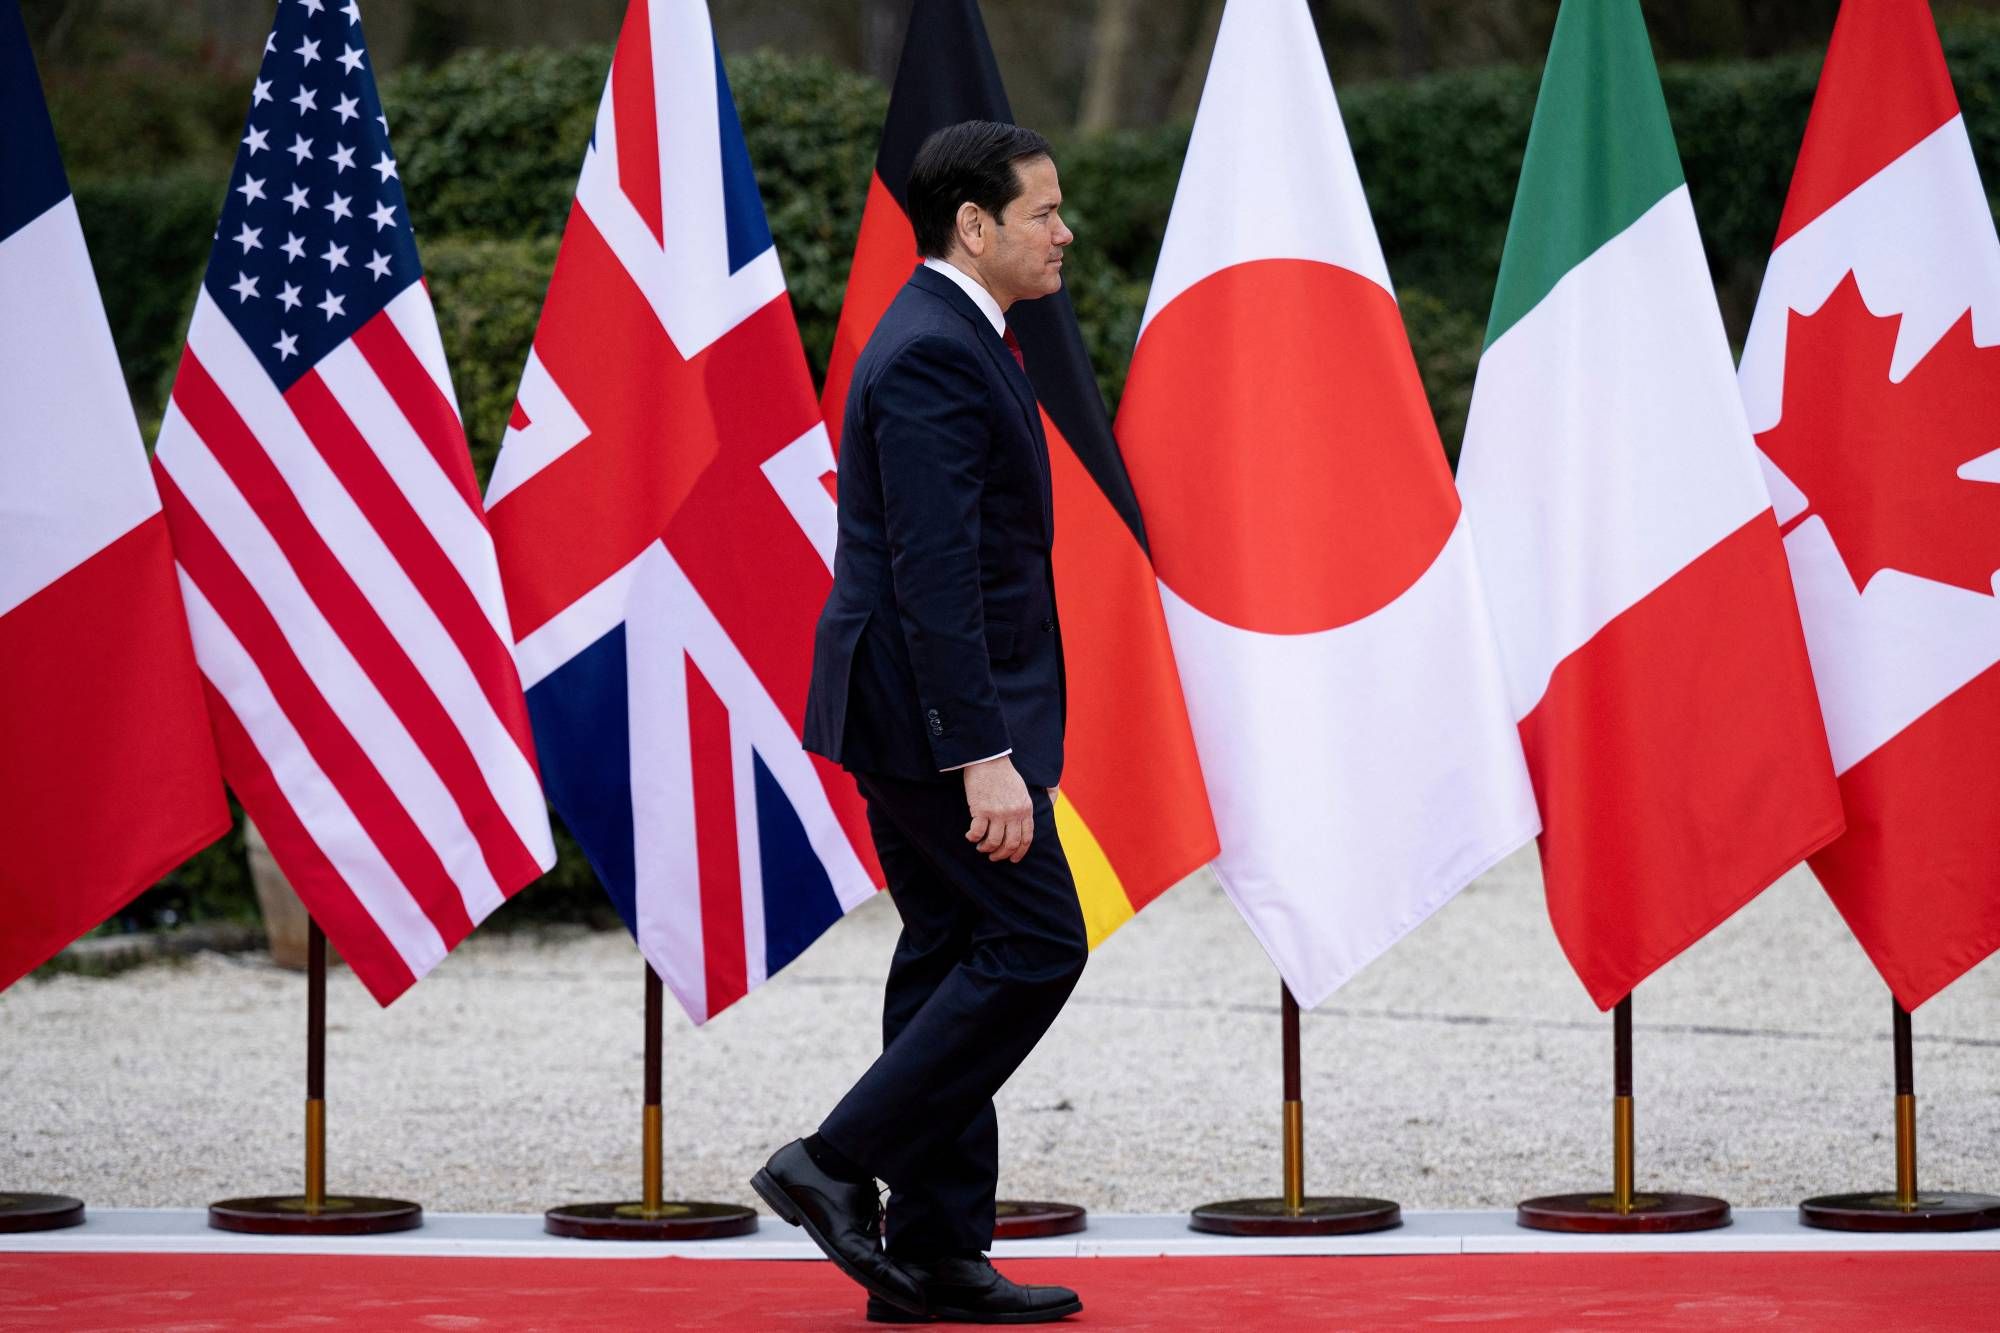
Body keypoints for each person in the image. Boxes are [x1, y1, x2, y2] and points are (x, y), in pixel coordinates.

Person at [752, 120, 1087, 1325]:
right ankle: (830, 1163)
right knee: (1038, 942)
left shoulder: (958, 331)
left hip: (909, 713)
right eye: (1042, 212)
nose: (1063, 232)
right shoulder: (935, 349)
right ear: (973, 225)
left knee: (952, 947)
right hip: (930, 725)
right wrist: (980, 753)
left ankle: (937, 1253)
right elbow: (933, 573)